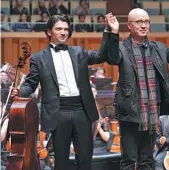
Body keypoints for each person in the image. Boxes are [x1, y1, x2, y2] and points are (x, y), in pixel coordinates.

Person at [11, 13, 119, 170]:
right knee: (61, 161)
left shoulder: (79, 52)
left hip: (82, 110)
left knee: (85, 160)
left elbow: (101, 55)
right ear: (49, 31)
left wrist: (109, 31)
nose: (63, 32)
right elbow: (31, 84)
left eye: (66, 29)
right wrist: (20, 92)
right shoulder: (38, 59)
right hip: (58, 111)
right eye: (59, 29)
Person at [107, 8, 169, 170]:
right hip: (130, 113)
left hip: (152, 113)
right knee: (128, 161)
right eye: (139, 22)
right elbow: (111, 58)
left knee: (147, 160)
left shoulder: (159, 48)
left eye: (146, 21)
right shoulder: (121, 48)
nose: (143, 25)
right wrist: (113, 33)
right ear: (129, 25)